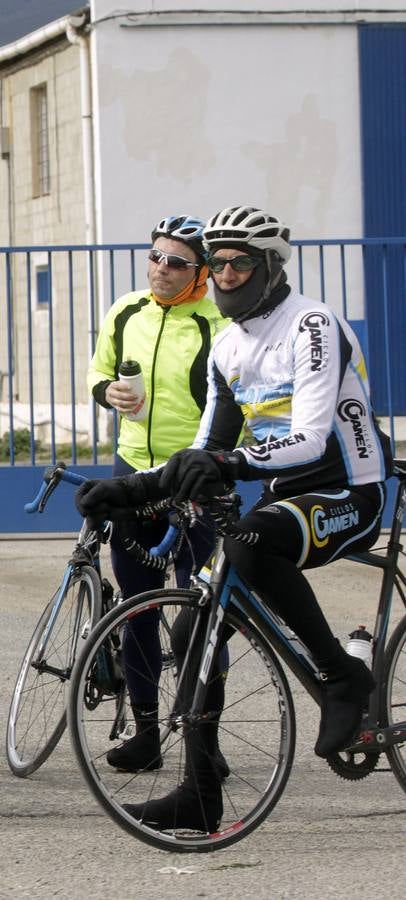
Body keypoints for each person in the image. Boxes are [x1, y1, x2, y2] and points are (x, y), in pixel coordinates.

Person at [76, 206, 389, 831]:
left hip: (350, 491)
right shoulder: (227, 344)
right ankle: (198, 792)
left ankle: (341, 677)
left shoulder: (312, 326)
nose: (222, 275)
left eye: (238, 263)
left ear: (269, 267)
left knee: (248, 548)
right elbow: (203, 449)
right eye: (215, 264)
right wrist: (135, 490)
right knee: (194, 628)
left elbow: (309, 437)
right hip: (281, 498)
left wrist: (230, 462)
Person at [85, 215, 226, 772]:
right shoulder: (126, 310)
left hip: (193, 480)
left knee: (204, 614)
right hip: (132, 476)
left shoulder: (218, 324)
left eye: (176, 262)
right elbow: (97, 372)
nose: (161, 269)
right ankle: (146, 732)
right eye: (155, 257)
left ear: (201, 272)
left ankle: (205, 746)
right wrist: (108, 392)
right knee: (136, 606)